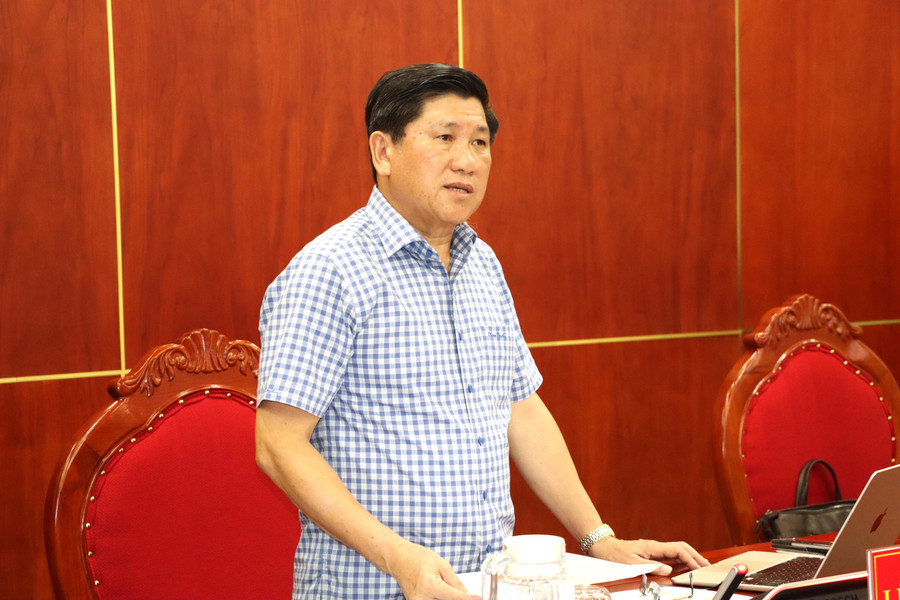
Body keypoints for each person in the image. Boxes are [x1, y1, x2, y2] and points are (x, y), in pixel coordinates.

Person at [255, 63, 709, 600]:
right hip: (373, 587)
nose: (467, 160)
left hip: (485, 587)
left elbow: (520, 409)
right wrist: (399, 559)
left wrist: (598, 539)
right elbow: (278, 444)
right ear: (383, 152)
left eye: (480, 142)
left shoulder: (482, 262)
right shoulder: (329, 270)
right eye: (444, 138)